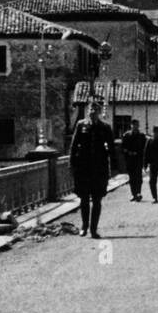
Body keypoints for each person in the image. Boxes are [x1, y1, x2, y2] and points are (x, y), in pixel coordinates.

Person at [69, 98, 115, 238]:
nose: (92, 112)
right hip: (83, 168)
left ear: (99, 113)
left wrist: (113, 168)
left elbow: (111, 149)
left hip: (99, 169)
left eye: (95, 110)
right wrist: (72, 165)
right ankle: (84, 226)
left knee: (97, 199)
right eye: (90, 110)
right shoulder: (81, 125)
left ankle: (93, 229)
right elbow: (74, 146)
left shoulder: (105, 128)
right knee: (84, 199)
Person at [121, 119, 147, 202]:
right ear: (131, 125)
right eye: (134, 125)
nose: (136, 126)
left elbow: (144, 148)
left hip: (138, 159)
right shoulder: (126, 135)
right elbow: (122, 147)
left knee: (138, 177)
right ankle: (133, 194)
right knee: (132, 178)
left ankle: (138, 193)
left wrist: (143, 158)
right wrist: (128, 152)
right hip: (130, 159)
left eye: (137, 125)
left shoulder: (142, 136)